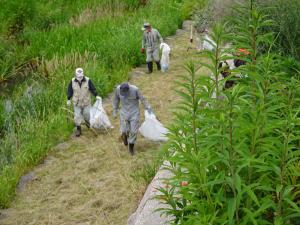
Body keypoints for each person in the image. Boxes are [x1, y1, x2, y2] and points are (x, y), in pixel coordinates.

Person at [113, 82, 152, 155]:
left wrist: (148, 107)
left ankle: (131, 146)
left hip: (134, 112)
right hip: (124, 112)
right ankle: (124, 136)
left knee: (133, 131)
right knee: (124, 130)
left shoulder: (135, 90)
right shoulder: (118, 89)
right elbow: (116, 100)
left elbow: (143, 99)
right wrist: (115, 110)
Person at [67, 68, 101, 137]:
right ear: (76, 75)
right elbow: (70, 90)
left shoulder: (88, 80)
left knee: (87, 114)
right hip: (77, 103)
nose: (80, 78)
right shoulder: (72, 81)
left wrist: (96, 95)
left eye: (81, 76)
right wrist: (68, 99)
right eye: (79, 77)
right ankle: (78, 129)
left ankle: (88, 124)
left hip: (86, 102)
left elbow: (92, 88)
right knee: (77, 116)